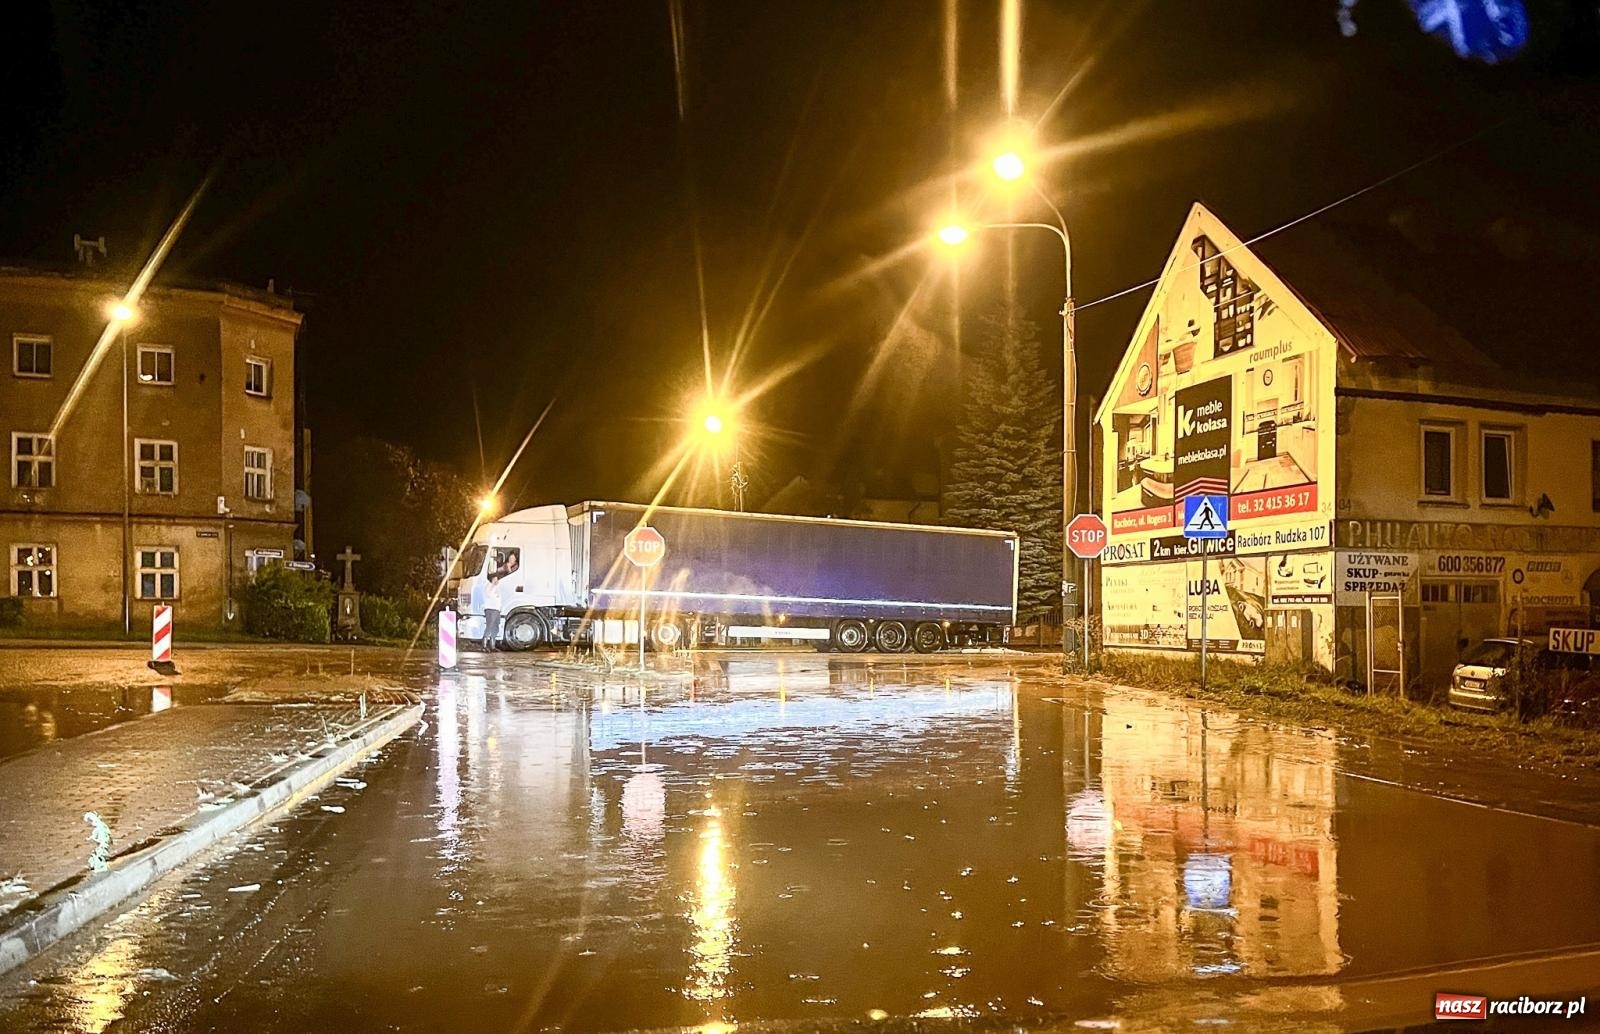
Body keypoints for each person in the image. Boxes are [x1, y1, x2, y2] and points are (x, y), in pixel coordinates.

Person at [482, 568, 504, 652]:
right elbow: (489, 595)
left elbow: (499, 599)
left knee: (496, 627)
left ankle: (492, 646)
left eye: (497, 579)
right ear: (491, 579)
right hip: (490, 609)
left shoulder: (497, 588)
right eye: (495, 579)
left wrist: (500, 608)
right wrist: (494, 586)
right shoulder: (489, 586)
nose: (496, 580)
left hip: (496, 609)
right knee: (489, 626)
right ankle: (484, 646)